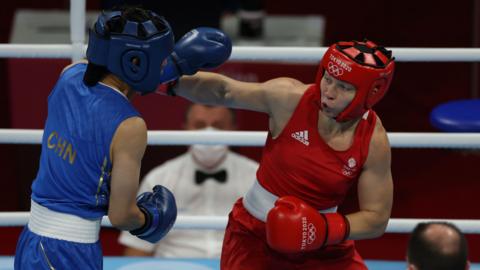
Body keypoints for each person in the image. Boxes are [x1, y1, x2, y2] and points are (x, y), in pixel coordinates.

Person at [13, 6, 232, 270]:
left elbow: (108, 75)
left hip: (31, 242)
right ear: (135, 62)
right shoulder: (130, 126)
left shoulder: (68, 76)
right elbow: (121, 215)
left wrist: (173, 66)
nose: (164, 62)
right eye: (161, 58)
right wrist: (150, 220)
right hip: (70, 252)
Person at [155, 39, 395, 269]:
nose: (328, 92)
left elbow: (376, 219)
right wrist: (158, 77)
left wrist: (320, 229)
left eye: (343, 87)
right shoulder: (289, 99)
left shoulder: (373, 140)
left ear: (370, 93)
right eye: (328, 79)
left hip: (325, 244)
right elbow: (224, 92)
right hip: (253, 237)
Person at [118, 104, 258, 258]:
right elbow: (138, 248)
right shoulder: (159, 177)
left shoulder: (255, 176)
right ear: (185, 128)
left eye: (218, 126)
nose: (208, 133)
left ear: (233, 129)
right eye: (199, 125)